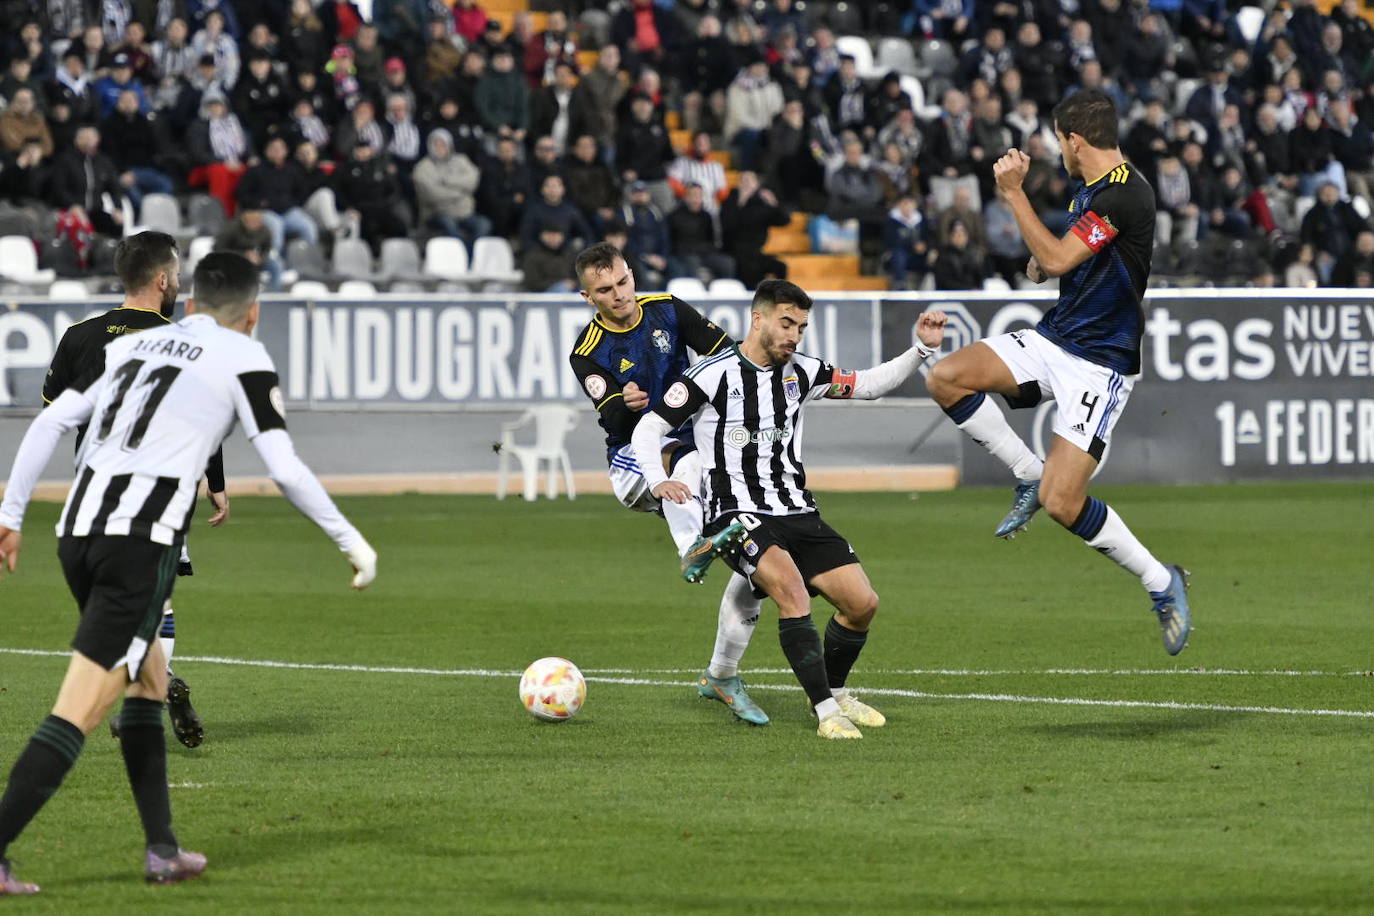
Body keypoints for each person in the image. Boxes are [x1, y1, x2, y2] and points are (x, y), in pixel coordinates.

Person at [0, 252, 377, 895]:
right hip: (137, 546)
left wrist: (10, 513)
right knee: (81, 708)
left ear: (193, 301)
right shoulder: (245, 357)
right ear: (253, 313)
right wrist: (352, 541)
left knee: (148, 683)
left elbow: (54, 418)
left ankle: (162, 850)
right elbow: (283, 467)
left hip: (78, 533)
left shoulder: (137, 346)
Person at [924, 88, 1193, 655]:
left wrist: (1013, 194)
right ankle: (1025, 471)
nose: (1057, 150)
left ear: (1074, 139)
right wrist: (1043, 258)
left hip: (1099, 365)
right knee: (945, 376)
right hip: (1054, 338)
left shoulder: (1128, 195)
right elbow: (1054, 260)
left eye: (1057, 139)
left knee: (1063, 502)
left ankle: (1161, 581)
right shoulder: (1090, 190)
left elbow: (1054, 258)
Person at [630, 280, 947, 739]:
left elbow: (870, 385)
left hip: (797, 510)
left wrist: (921, 348)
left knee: (862, 604)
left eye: (800, 326)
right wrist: (659, 481)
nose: (793, 335)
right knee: (792, 594)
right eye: (785, 323)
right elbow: (648, 428)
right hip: (735, 514)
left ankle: (835, 692)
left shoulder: (804, 373)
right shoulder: (709, 375)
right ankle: (825, 714)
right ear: (757, 319)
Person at [569, 243, 769, 726]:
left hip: (693, 455)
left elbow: (724, 351)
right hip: (634, 464)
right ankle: (691, 547)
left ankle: (723, 673)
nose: (618, 296)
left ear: (631, 275)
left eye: (621, 283)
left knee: (757, 560)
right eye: (604, 291)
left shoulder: (668, 309)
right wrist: (627, 402)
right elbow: (613, 417)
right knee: (688, 462)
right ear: (586, 297)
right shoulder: (588, 352)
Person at [41, 231, 227, 749]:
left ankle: (144, 695)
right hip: (160, 492)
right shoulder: (185, 344)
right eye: (178, 272)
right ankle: (152, 692)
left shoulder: (80, 334)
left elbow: (53, 410)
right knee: (158, 602)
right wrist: (216, 482)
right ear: (163, 279)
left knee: (112, 602)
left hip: (93, 496)